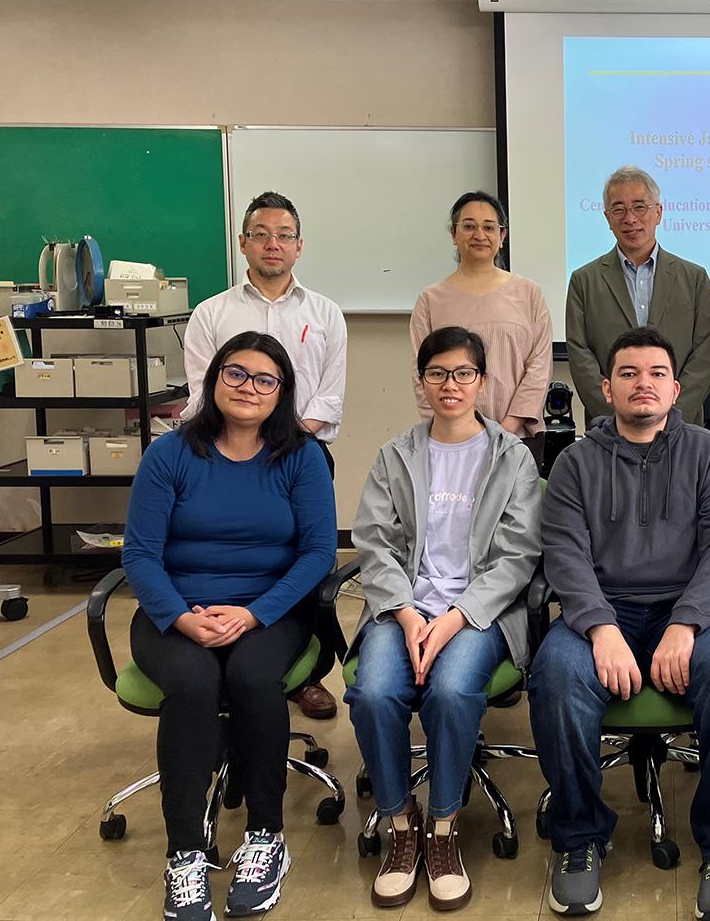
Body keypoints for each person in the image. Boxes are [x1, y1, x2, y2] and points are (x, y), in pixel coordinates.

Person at [528, 327, 710, 920]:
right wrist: (600, 627)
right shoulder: (576, 463)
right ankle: (578, 838)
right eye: (629, 373)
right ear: (606, 389)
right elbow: (564, 554)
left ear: (676, 388)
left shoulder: (709, 454)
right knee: (555, 675)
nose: (643, 384)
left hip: (690, 610)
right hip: (603, 610)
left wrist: (686, 624)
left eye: (656, 373)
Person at [122, 331, 336, 921]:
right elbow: (140, 553)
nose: (249, 388)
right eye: (236, 374)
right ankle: (185, 855)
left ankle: (266, 839)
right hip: (176, 611)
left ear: (282, 393)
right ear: (215, 379)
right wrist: (179, 617)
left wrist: (252, 613)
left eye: (266, 380)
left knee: (251, 677)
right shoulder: (169, 454)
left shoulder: (301, 456)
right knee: (190, 685)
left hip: (269, 609)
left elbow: (318, 553)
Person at [346, 326, 542, 911]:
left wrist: (457, 617)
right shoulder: (396, 454)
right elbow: (373, 544)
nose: (450, 385)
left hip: (479, 613)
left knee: (454, 691)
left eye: (463, 374)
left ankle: (443, 825)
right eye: (438, 374)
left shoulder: (513, 458)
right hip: (400, 608)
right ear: (422, 382)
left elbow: (519, 555)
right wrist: (407, 614)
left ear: (482, 382)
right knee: (375, 692)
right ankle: (399, 822)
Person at [182, 190, 348, 720]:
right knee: (229, 555)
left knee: (307, 562)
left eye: (283, 235)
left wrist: (279, 441)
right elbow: (202, 394)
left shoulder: (325, 313)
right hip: (221, 458)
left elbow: (329, 395)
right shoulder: (212, 314)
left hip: (302, 459)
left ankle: (300, 674)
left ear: (300, 247)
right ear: (243, 243)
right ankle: (218, 649)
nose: (272, 244)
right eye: (261, 234)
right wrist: (246, 441)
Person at [566, 166, 710, 426]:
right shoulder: (584, 281)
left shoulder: (694, 278)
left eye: (639, 207)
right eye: (619, 209)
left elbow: (705, 356)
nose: (630, 218)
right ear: (607, 218)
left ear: (658, 213)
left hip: (680, 428)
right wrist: (618, 414)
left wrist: (669, 414)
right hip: (609, 429)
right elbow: (580, 355)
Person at [410, 191, 552, 468]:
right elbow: (422, 374)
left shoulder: (529, 293)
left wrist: (508, 428)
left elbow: (539, 365)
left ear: (502, 236)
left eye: (489, 227)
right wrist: (453, 429)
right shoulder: (431, 300)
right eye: (469, 226)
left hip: (518, 438)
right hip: (451, 440)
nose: (479, 234)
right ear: (454, 234)